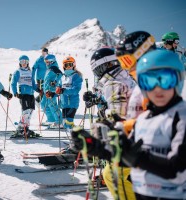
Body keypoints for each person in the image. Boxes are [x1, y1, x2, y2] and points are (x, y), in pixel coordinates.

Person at [71, 49, 186, 199]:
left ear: (179, 79)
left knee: (112, 174)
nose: (157, 89)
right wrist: (98, 148)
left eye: (166, 79)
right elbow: (123, 153)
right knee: (111, 173)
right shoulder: (144, 120)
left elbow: (177, 171)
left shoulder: (181, 118)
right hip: (144, 192)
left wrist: (135, 157)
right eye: (148, 81)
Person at [83, 47, 136, 200]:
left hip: (131, 135)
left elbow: (118, 115)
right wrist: (97, 99)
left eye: (98, 70)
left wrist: (103, 117)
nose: (97, 74)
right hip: (141, 130)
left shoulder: (112, 83)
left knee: (112, 173)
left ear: (105, 66)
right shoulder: (125, 76)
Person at [115, 31, 156, 134]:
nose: (125, 68)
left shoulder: (160, 86)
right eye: (121, 63)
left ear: (143, 55)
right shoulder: (141, 86)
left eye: (126, 61)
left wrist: (126, 126)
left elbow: (160, 121)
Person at [11, 55, 41, 138]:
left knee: (30, 111)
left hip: (31, 94)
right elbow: (13, 83)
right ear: (20, 63)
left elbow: (32, 83)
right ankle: (21, 128)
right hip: (23, 95)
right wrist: (15, 92)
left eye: (25, 62)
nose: (24, 63)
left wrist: (38, 89)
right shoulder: (18, 71)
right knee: (26, 111)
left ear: (28, 63)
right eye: (22, 62)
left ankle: (26, 127)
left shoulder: (30, 72)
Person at [55, 56, 82, 131]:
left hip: (72, 103)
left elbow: (76, 89)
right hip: (64, 103)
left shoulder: (76, 76)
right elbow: (59, 87)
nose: (68, 67)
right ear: (64, 66)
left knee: (69, 122)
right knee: (64, 123)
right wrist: (55, 92)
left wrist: (64, 90)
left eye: (70, 64)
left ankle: (73, 135)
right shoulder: (62, 77)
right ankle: (71, 133)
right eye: (66, 65)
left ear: (74, 65)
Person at [32, 48, 55, 126]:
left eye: (46, 52)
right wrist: (32, 78)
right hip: (40, 79)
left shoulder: (48, 59)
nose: (44, 54)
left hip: (47, 79)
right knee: (43, 92)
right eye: (43, 52)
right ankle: (39, 101)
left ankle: (39, 101)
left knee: (46, 94)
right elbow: (34, 68)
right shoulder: (39, 60)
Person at [43, 54, 63, 129]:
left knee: (53, 106)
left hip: (52, 90)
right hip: (47, 91)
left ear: (52, 61)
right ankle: (52, 120)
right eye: (46, 62)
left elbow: (60, 74)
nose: (46, 63)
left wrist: (55, 82)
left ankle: (60, 122)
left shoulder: (54, 67)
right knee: (46, 105)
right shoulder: (49, 69)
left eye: (48, 62)